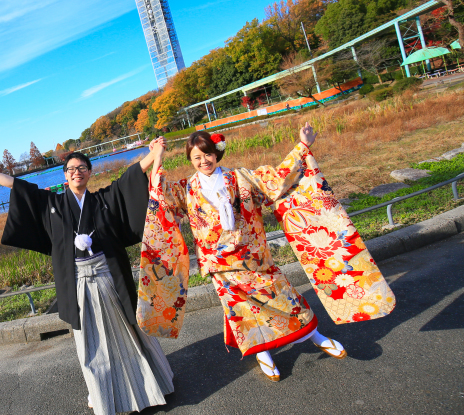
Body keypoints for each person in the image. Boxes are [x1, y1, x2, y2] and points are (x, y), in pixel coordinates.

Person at [137, 124, 395, 382]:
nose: (203, 161)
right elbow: (159, 193)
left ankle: (316, 336)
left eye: (207, 154)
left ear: (216, 154)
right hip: (220, 265)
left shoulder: (240, 177)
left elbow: (279, 179)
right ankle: (263, 355)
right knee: (245, 314)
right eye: (197, 157)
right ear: (190, 160)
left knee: (285, 297)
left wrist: (303, 146)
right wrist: (158, 156)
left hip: (253, 256)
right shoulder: (186, 189)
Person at [0, 141, 174, 415]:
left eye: (82, 168)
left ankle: (149, 385)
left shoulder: (103, 200)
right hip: (79, 283)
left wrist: (154, 154)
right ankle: (101, 389)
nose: (76, 172)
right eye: (71, 169)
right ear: (65, 176)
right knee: (91, 343)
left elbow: (129, 178)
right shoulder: (52, 204)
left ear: (89, 173)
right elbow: (18, 187)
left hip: (107, 278)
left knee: (129, 331)